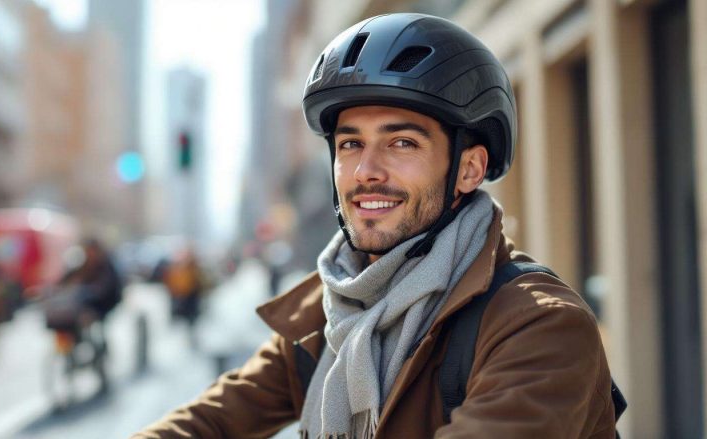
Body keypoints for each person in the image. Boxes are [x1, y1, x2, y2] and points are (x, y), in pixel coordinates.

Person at [135, 13, 617, 438]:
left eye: (402, 143)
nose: (366, 170)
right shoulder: (330, 313)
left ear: (468, 170)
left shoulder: (540, 325)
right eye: (349, 145)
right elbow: (212, 420)